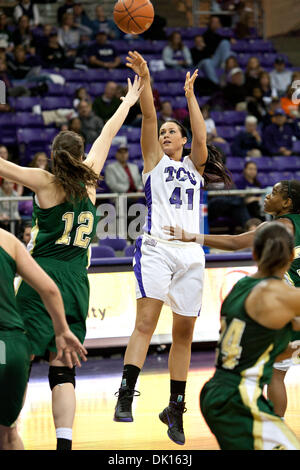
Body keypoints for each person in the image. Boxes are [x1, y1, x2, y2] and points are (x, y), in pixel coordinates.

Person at [0, 76, 143, 450]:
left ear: (52, 152)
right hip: (77, 281)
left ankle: (7, 431)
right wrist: (128, 100)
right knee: (63, 369)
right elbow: (109, 131)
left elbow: (2, 167)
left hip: (40, 279)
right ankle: (64, 445)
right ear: (80, 154)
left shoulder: (44, 181)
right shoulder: (91, 178)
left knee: (19, 359)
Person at [113, 51, 231, 446]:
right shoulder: (153, 163)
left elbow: (202, 137)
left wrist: (190, 95)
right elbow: (147, 116)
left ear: (181, 140)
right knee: (145, 324)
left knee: (184, 335)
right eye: (162, 133)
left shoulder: (196, 167)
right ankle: (126, 394)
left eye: (170, 132)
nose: (164, 135)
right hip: (157, 248)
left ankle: (175, 411)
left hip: (191, 256)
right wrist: (145, 78)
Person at [164, 179, 300, 419]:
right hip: (293, 302)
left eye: (275, 192)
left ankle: (273, 429)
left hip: (288, 305)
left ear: (288, 202)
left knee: (274, 373)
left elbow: (236, 242)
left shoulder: (280, 228)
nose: (268, 194)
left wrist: (191, 236)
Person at [200, 222, 300, 450]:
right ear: (291, 257)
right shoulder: (278, 294)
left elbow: (261, 343)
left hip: (219, 391)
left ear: (254, 253)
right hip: (239, 397)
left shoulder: (241, 286)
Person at [0, 228, 87, 450]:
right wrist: (62, 330)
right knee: (8, 435)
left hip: (45, 268)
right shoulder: (8, 241)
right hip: (12, 345)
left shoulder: (44, 195)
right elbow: (50, 290)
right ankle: (64, 444)